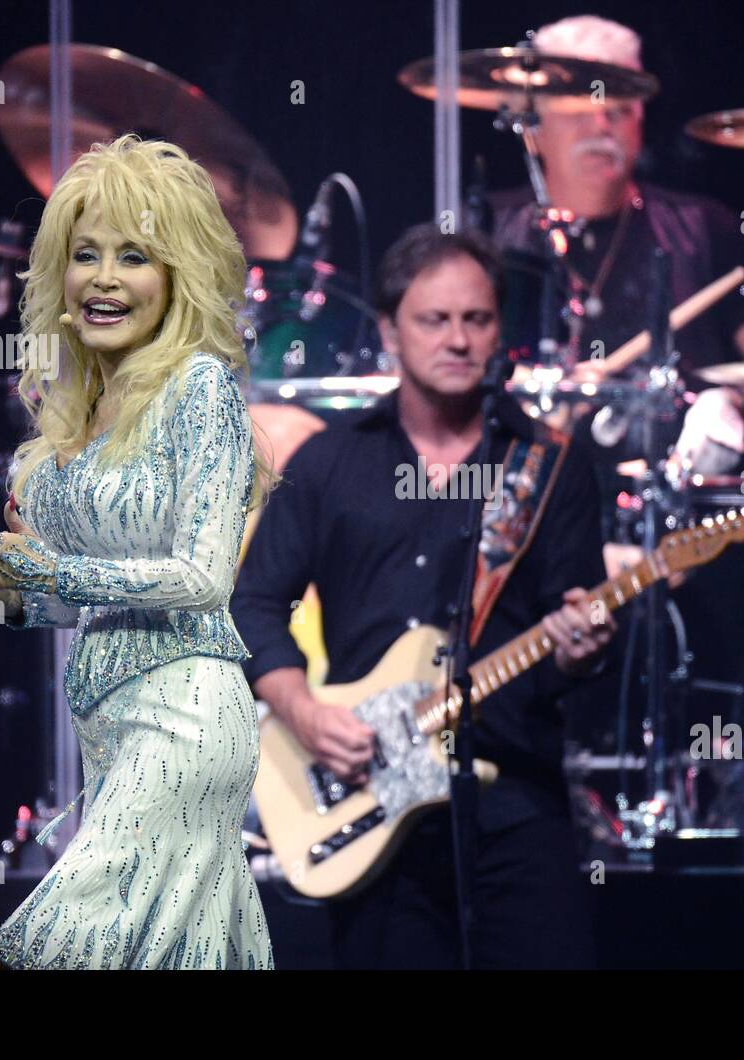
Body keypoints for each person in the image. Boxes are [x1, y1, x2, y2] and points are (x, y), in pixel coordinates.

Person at [0, 134, 274, 970]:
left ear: (176, 275)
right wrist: (5, 594)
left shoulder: (199, 388)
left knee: (74, 950)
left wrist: (42, 568)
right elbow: (87, 595)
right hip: (112, 725)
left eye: (133, 256)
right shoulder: (80, 410)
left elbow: (202, 580)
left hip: (183, 719)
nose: (102, 278)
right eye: (84, 254)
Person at [230, 224, 615, 969]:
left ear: (499, 328)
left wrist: (581, 648)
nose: (459, 339)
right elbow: (250, 608)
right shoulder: (331, 461)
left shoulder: (546, 466)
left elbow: (583, 633)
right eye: (434, 320)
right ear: (389, 332)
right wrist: (306, 714)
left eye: (477, 319)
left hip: (513, 803)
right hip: (366, 800)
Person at [491, 14, 744, 482]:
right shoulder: (489, 233)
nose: (601, 125)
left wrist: (735, 403)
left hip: (674, 513)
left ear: (641, 119)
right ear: (533, 122)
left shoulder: (704, 227)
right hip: (522, 505)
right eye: (580, 106)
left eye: (619, 108)